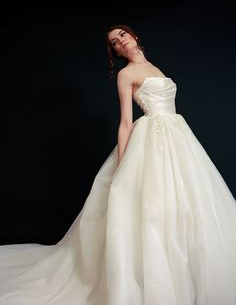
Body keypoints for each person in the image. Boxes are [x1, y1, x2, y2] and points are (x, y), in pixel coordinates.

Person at [0, 24, 236, 305]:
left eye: (122, 35)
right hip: (152, 139)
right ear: (114, 51)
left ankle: (186, 272)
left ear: (134, 35)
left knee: (185, 204)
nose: (119, 41)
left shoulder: (155, 68)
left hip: (177, 135)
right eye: (113, 42)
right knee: (153, 208)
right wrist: (123, 165)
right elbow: (125, 123)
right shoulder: (126, 75)